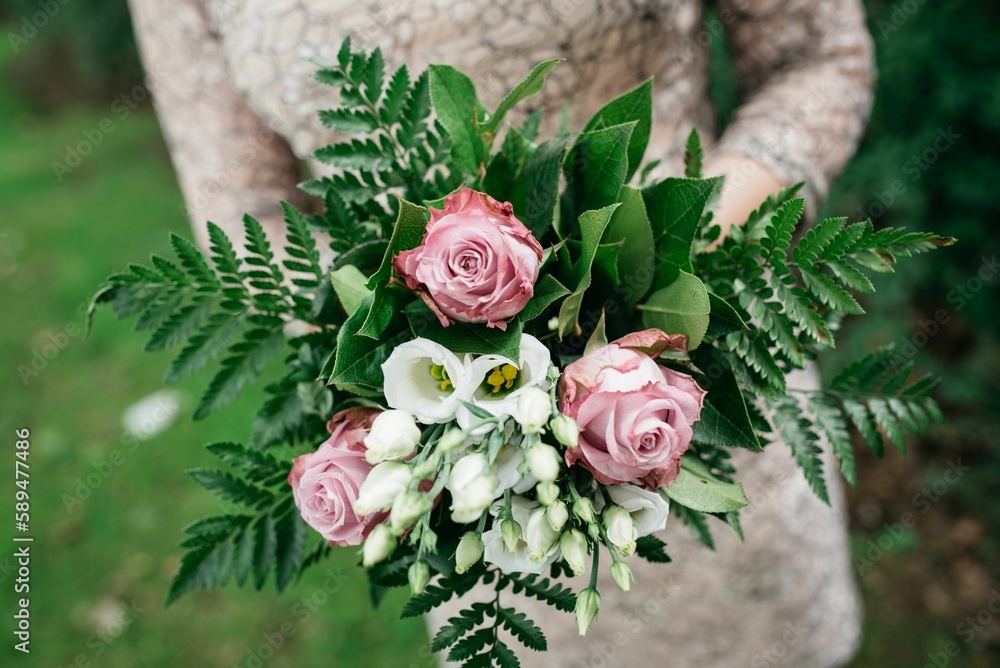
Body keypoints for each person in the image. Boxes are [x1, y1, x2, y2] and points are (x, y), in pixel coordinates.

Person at [127, 1, 875, 665]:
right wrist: (411, 357)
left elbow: (814, 59)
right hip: (469, 476)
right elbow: (248, 217)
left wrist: (677, 255)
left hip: (690, 388)